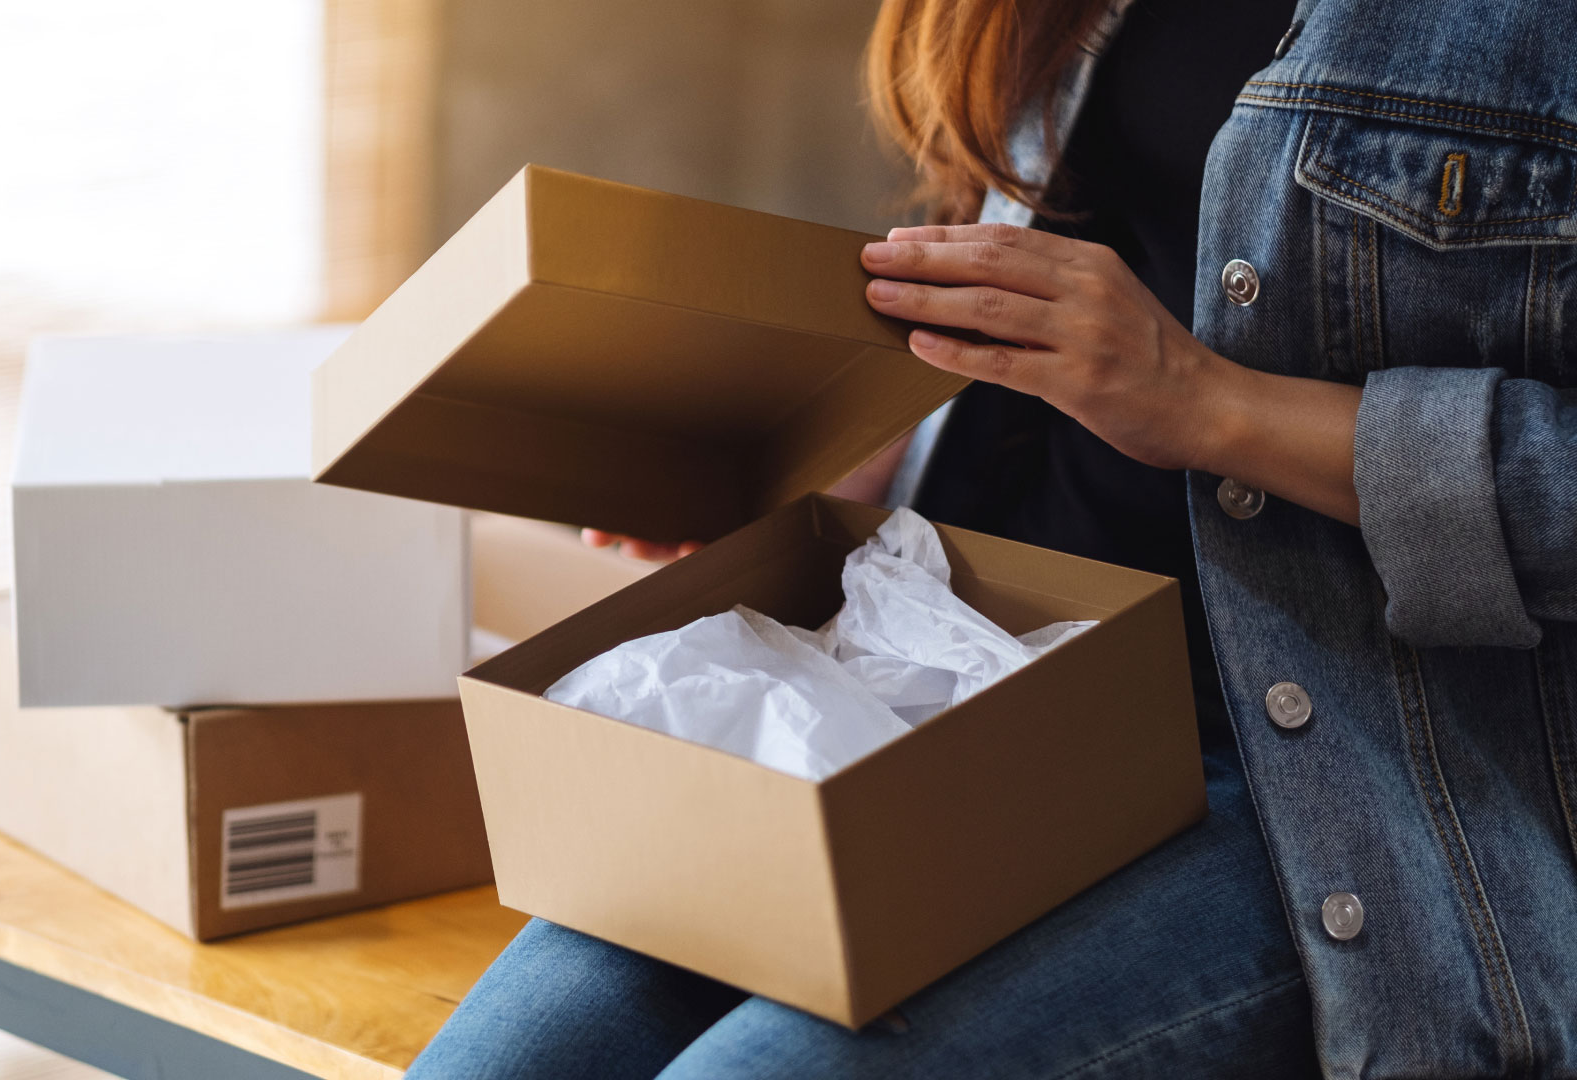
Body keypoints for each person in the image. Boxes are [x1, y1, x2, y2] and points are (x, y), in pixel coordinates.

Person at [411, 0, 1577, 1075]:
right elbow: (1037, 261)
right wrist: (828, 451)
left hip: (1328, 776)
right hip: (968, 672)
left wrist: (1210, 402)